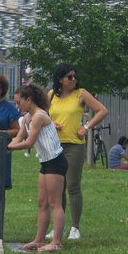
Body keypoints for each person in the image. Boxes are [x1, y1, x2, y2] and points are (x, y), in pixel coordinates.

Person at [47, 63, 108, 240]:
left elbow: (102, 110)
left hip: (74, 145)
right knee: (58, 188)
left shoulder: (81, 94)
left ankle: (75, 227)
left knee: (73, 185)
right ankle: (60, 227)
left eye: (74, 76)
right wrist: (51, 124)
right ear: (60, 79)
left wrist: (86, 127)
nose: (73, 80)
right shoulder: (51, 95)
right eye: (69, 77)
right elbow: (42, 115)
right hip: (54, 145)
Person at [7, 84, 65, 252]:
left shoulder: (39, 116)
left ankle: (56, 242)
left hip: (56, 161)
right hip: (46, 162)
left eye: (19, 102)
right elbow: (18, 138)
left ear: (29, 100)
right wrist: (5, 146)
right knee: (42, 203)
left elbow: (29, 142)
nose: (17, 106)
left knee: (55, 203)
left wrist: (10, 148)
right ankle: (39, 240)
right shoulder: (26, 118)